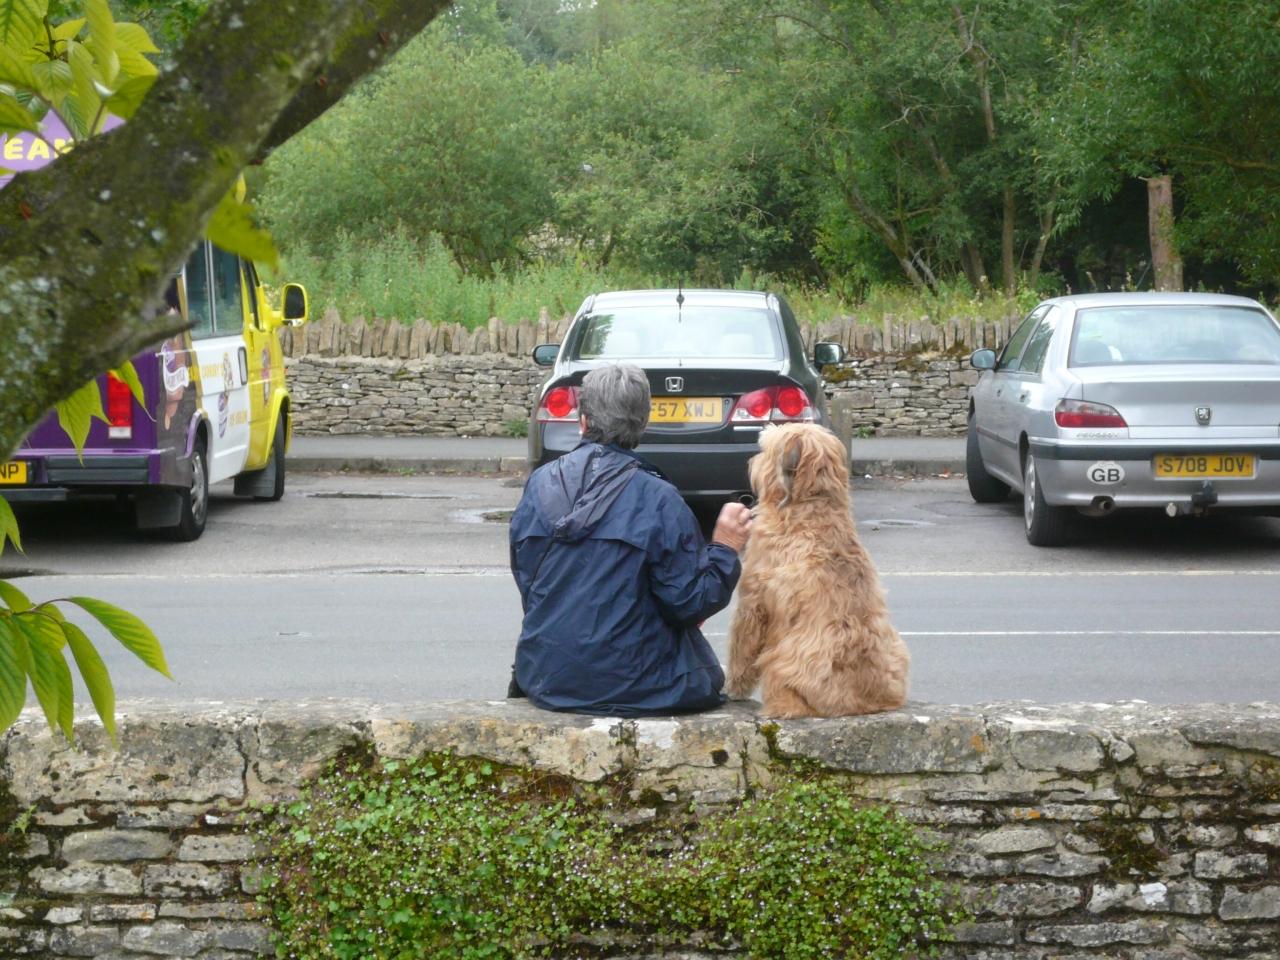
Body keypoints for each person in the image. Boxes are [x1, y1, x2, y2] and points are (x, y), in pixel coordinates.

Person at [509, 364, 752, 716]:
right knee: (704, 672)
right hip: (644, 686)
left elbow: (529, 581)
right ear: (643, 423)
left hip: (548, 677)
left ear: (582, 421)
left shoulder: (539, 484)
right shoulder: (659, 498)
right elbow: (689, 603)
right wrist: (726, 546)